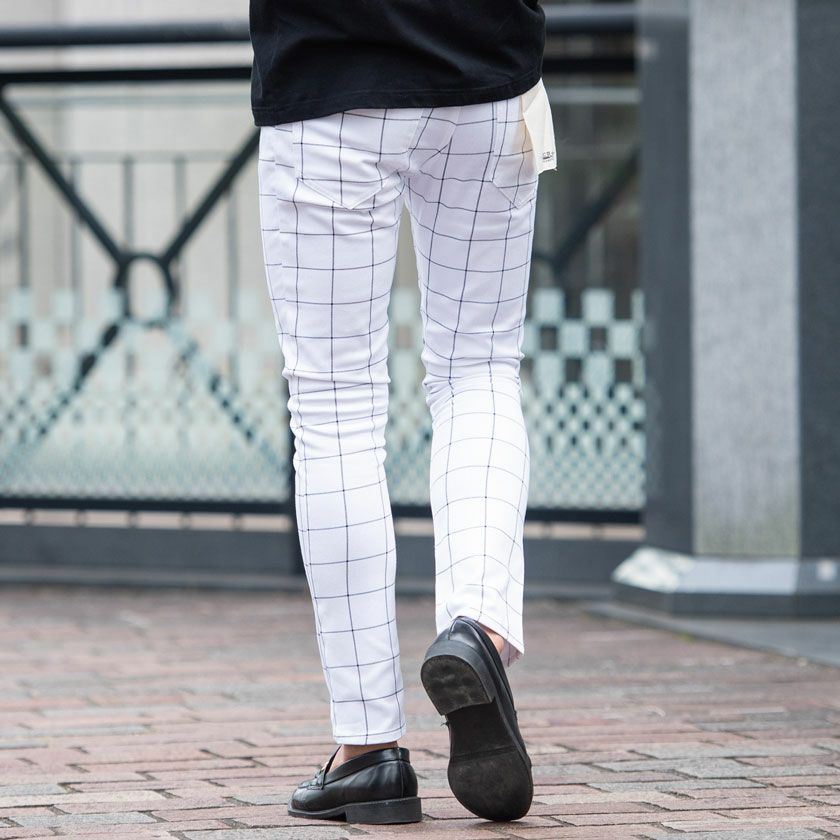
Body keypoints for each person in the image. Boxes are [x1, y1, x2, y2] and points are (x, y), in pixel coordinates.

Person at [250, 0, 555, 825]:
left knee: (335, 409)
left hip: (326, 78)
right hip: (487, 71)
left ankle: (368, 751)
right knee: (477, 370)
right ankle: (479, 630)